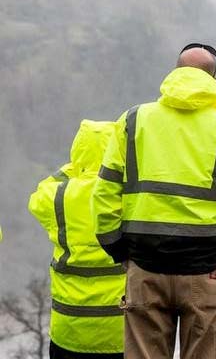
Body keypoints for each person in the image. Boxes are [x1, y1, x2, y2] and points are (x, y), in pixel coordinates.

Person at [92, 43, 216, 358]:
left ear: (175, 71)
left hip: (144, 266)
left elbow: (105, 192)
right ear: (214, 79)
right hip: (206, 269)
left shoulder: (133, 121)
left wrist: (119, 250)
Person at [28, 120, 125, 358]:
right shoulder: (126, 194)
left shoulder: (57, 196)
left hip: (68, 330)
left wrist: (75, 167)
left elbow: (39, 194)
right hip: (120, 331)